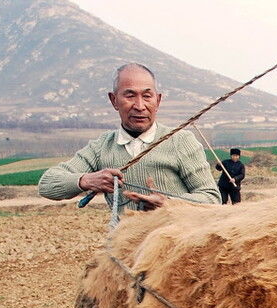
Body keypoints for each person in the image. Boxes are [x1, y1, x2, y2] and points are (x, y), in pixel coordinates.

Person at [38, 63, 220, 210]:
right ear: (113, 100)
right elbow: (47, 184)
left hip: (174, 250)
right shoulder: (101, 147)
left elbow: (211, 198)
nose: (140, 106)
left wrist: (169, 204)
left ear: (158, 100)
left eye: (147, 96)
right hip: (126, 249)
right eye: (130, 96)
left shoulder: (180, 142)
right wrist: (87, 180)